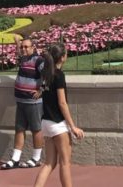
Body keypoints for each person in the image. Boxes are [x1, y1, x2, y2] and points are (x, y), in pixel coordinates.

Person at [32, 43, 84, 187]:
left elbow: (43, 89)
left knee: (49, 163)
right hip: (57, 123)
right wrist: (72, 127)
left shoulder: (47, 73)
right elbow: (62, 103)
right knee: (65, 163)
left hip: (46, 123)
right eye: (66, 53)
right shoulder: (59, 75)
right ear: (62, 57)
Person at [0, 35, 45, 170]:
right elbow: (19, 49)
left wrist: (41, 90)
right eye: (22, 47)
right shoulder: (23, 58)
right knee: (19, 129)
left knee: (36, 129)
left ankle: (36, 158)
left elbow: (49, 74)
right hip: (20, 100)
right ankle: (15, 159)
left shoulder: (39, 61)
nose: (23, 49)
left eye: (26, 47)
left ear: (33, 47)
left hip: (33, 102)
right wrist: (16, 41)